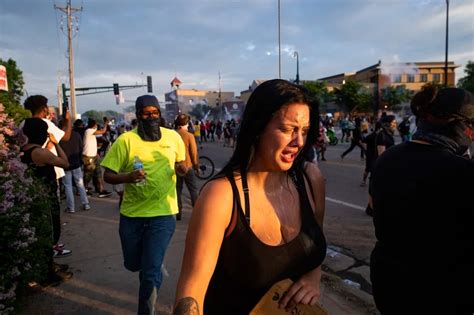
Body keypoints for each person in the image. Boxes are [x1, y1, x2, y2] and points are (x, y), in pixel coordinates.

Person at [174, 79, 327, 315]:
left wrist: (312, 276)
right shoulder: (222, 196)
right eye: (287, 129)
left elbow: (316, 241)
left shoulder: (310, 179)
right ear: (258, 127)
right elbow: (191, 291)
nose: (298, 142)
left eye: (304, 132)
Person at [369, 87, 474, 314]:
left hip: (388, 282)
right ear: (458, 124)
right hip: (441, 291)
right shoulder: (462, 172)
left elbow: (375, 211)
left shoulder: (388, 158)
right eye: (471, 125)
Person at [101, 95, 187, 315]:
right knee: (133, 263)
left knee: (149, 272)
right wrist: (127, 177)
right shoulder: (125, 140)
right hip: (132, 214)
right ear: (138, 115)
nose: (151, 117)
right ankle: (152, 262)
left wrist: (182, 169)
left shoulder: (173, 137)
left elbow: (181, 163)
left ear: (160, 114)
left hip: (163, 213)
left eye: (155, 113)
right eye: (146, 114)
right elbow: (108, 176)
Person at [21, 118, 73, 285]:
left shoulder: (24, 150)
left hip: (36, 198)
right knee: (51, 232)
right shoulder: (40, 152)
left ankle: (48, 266)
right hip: (47, 199)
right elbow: (65, 163)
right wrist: (56, 143)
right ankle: (47, 273)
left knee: (42, 233)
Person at [23, 95, 72, 257]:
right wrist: (68, 121)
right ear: (44, 108)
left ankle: (48, 248)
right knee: (51, 218)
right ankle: (51, 249)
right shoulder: (45, 124)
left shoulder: (23, 123)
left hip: (31, 181)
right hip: (49, 170)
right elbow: (66, 137)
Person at [58, 120, 90, 213]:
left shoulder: (59, 137)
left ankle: (71, 207)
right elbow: (81, 148)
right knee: (80, 184)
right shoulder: (76, 135)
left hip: (65, 165)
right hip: (76, 163)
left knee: (68, 186)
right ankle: (86, 204)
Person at [174, 114, 200, 221]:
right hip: (187, 167)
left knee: (177, 190)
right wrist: (196, 166)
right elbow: (193, 153)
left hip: (175, 167)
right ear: (186, 124)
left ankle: (178, 212)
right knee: (193, 190)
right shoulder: (189, 136)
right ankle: (197, 213)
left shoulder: (172, 135)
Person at [82, 119, 112, 198]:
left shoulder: (91, 131)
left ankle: (101, 190)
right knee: (88, 174)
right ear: (93, 125)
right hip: (88, 156)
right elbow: (102, 132)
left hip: (94, 155)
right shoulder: (88, 131)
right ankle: (84, 190)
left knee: (98, 173)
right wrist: (105, 124)